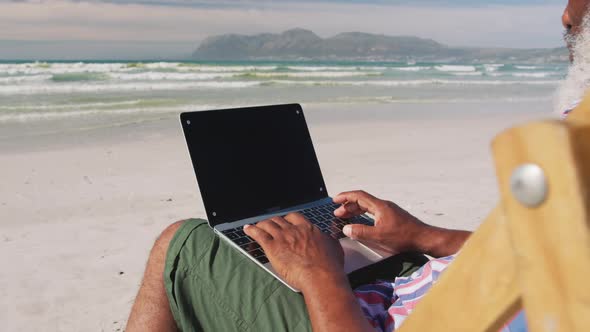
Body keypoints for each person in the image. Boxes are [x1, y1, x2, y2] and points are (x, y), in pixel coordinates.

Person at [126, 1, 588, 331]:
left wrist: (320, 276)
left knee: (182, 243)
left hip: (351, 313)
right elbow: (547, 260)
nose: (566, 15)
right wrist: (423, 236)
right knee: (320, 235)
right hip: (408, 287)